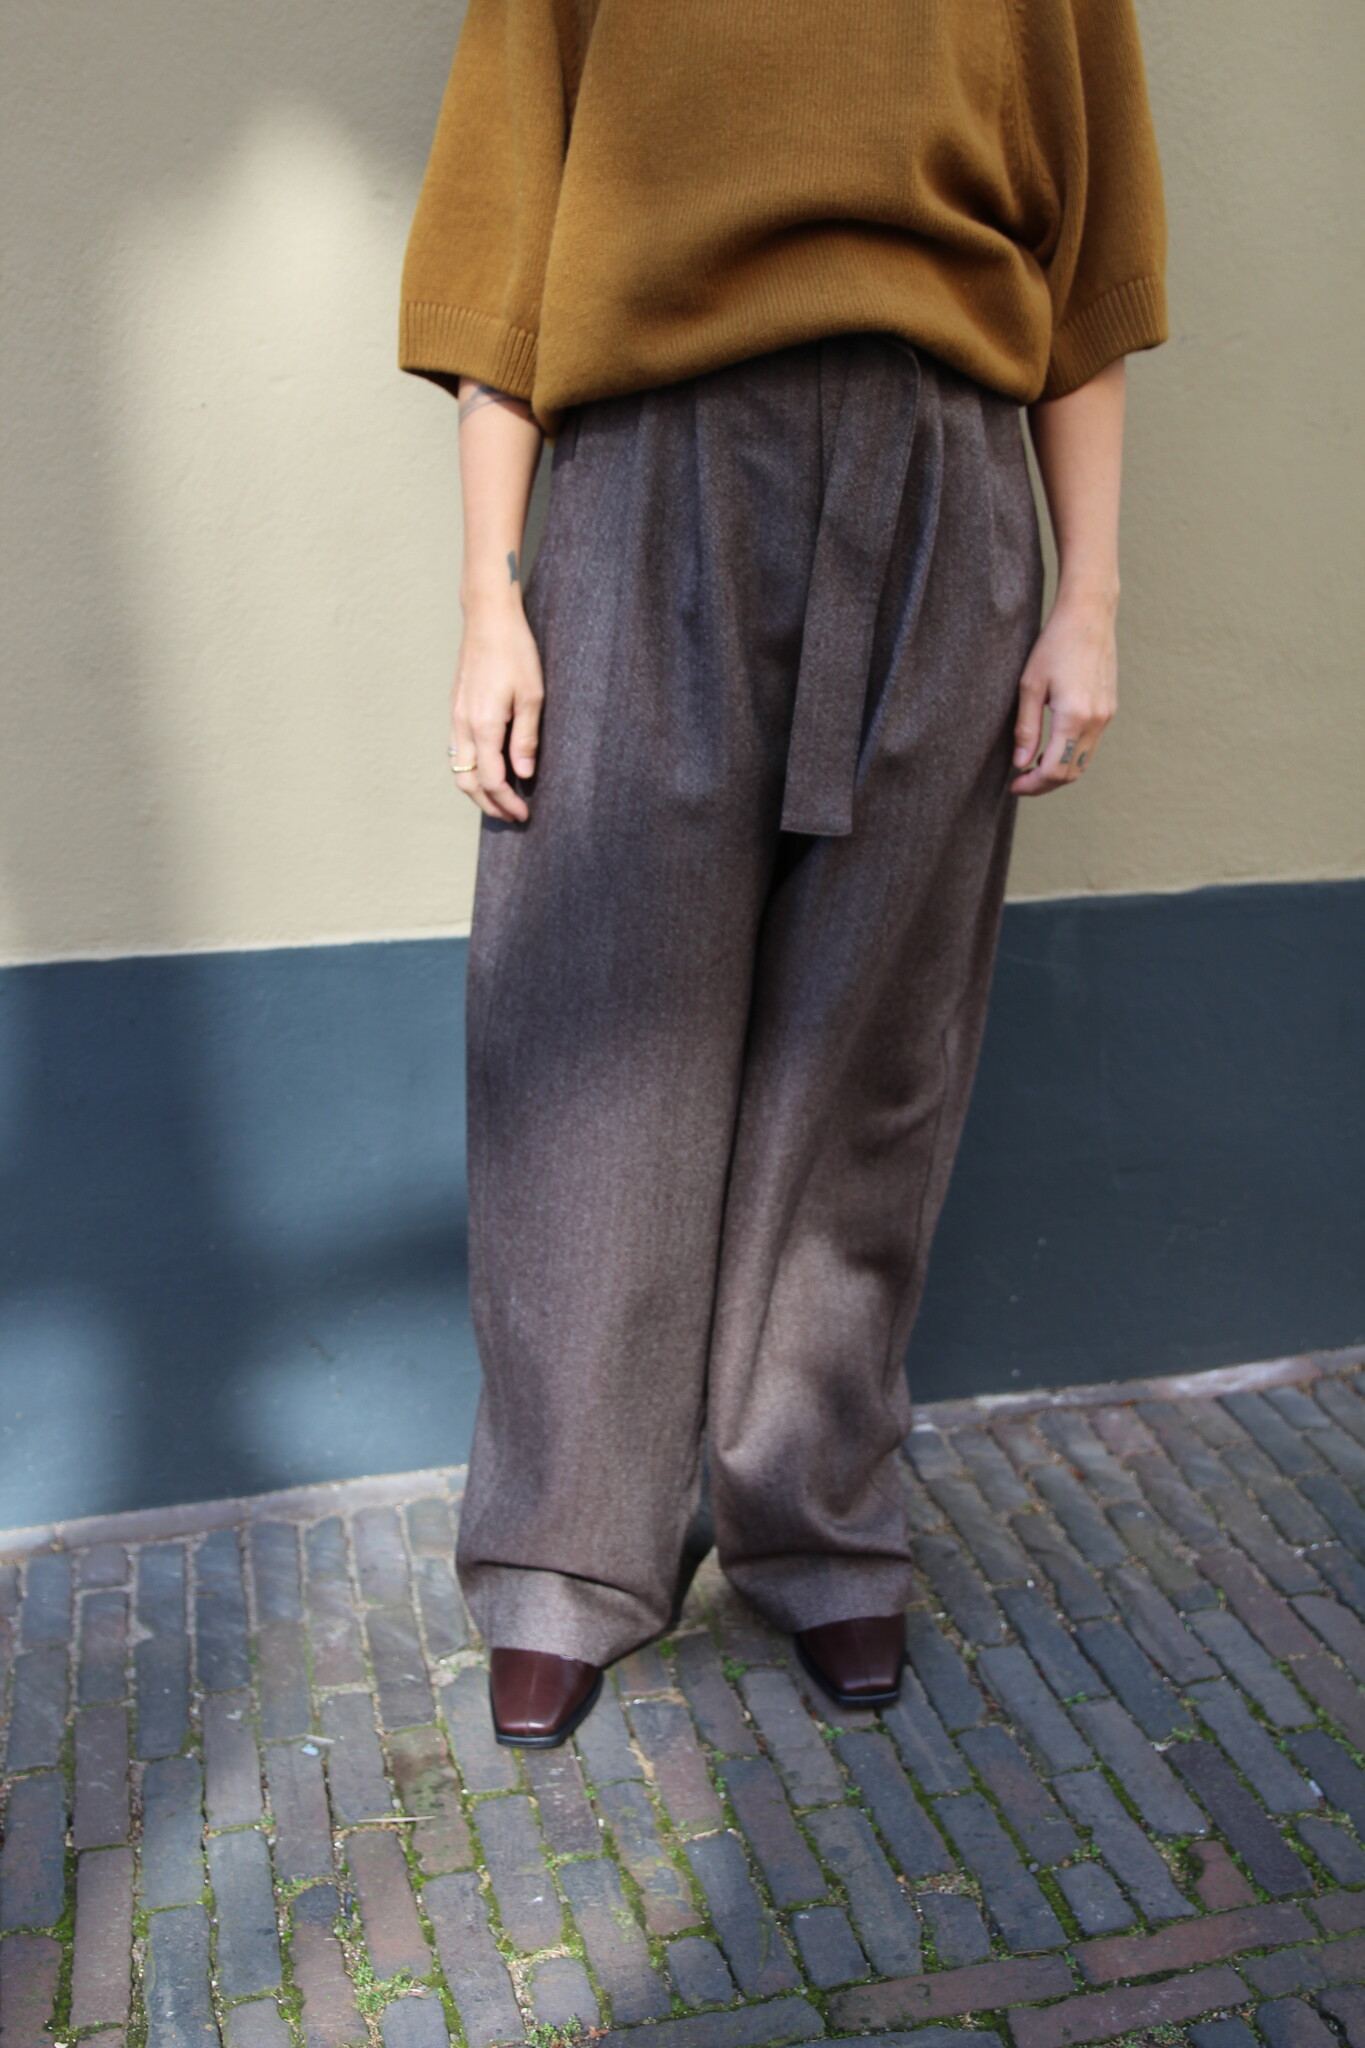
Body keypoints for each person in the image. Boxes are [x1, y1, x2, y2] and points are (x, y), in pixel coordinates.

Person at [399, 0, 1167, 1746]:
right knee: (591, 1026)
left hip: (944, 473)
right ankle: (565, 1556)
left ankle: (816, 1528)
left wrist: (1089, 594)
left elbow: (1086, 269)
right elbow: (502, 250)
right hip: (649, 471)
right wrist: (488, 595)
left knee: (869, 1046)